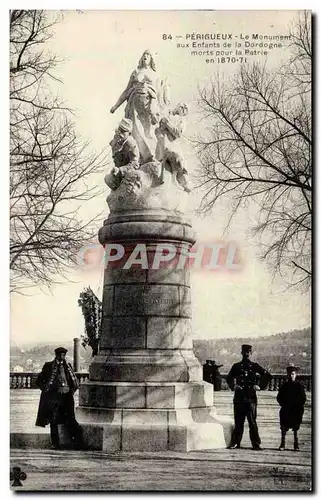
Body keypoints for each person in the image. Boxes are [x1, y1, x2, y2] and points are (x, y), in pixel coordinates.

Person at [110, 50, 169, 165]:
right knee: (136, 131)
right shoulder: (136, 72)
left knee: (149, 132)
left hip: (149, 105)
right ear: (142, 57)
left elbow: (159, 94)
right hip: (134, 104)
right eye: (144, 54)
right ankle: (139, 158)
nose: (146, 56)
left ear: (152, 58)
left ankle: (152, 157)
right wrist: (116, 106)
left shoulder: (156, 74)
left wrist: (160, 109)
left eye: (148, 54)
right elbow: (126, 90)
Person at [35, 347, 83, 450]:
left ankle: (77, 443)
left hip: (67, 398)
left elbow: (74, 383)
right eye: (60, 355)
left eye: (63, 355)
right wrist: (46, 391)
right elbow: (39, 381)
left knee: (70, 419)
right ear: (56, 355)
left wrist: (70, 392)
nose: (62, 357)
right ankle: (55, 444)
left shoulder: (68, 367)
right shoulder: (48, 366)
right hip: (54, 398)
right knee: (53, 420)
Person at [226, 344, 272, 450]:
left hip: (251, 399)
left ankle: (256, 443)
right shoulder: (236, 366)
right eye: (245, 352)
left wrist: (260, 386)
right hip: (239, 398)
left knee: (252, 422)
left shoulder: (255, 366)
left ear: (251, 353)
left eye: (249, 352)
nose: (247, 354)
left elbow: (268, 375)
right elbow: (229, 378)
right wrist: (234, 386)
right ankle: (235, 443)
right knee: (238, 422)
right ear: (242, 353)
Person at [277, 366, 306, 451]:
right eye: (289, 374)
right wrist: (283, 404)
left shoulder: (299, 386)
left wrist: (298, 406)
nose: (291, 376)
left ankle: (296, 444)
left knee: (295, 428)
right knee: (283, 427)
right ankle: (282, 444)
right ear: (287, 375)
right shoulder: (284, 386)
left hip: (296, 410)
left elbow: (303, 398)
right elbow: (279, 397)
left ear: (296, 375)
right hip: (286, 409)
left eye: (293, 374)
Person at [105, 118, 140, 190]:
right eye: (120, 129)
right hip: (118, 171)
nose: (120, 133)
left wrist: (120, 170)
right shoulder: (116, 137)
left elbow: (135, 163)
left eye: (123, 131)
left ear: (129, 133)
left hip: (128, 172)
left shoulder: (131, 144)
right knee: (107, 179)